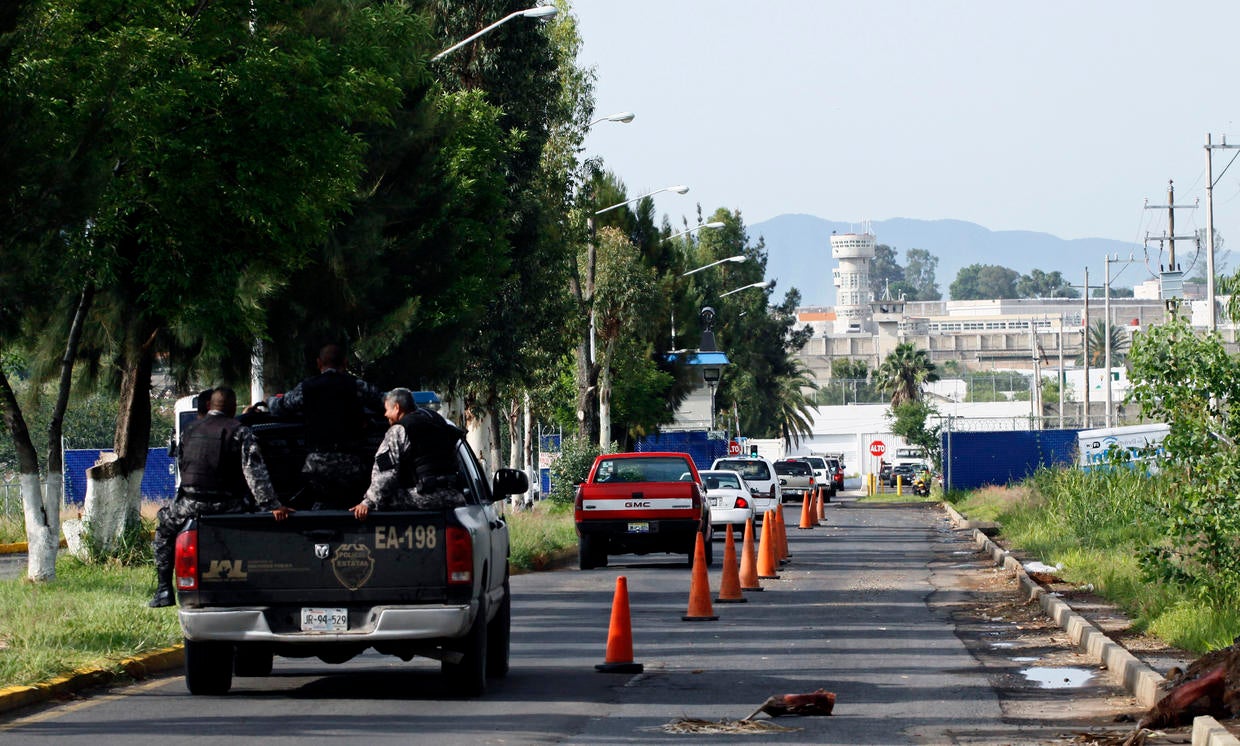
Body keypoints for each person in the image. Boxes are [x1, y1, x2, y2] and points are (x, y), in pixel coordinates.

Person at [149, 387, 293, 608]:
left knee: (163, 532)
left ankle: (164, 590)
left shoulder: (189, 430)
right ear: (232, 407)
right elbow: (255, 474)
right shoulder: (239, 432)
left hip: (190, 503)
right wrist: (271, 505)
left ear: (210, 406)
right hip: (228, 504)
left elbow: (183, 466)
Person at [267, 344, 383, 509]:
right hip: (350, 464)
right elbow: (383, 402)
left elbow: (280, 407)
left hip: (316, 465)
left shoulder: (307, 388)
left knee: (317, 503)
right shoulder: (356, 386)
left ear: (319, 363)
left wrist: (268, 401)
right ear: (345, 362)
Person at [351, 388, 466, 520]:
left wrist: (368, 502)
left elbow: (386, 474)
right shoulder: (438, 423)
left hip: (425, 498)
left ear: (397, 408)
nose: (385, 415)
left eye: (387, 410)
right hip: (453, 497)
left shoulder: (399, 429)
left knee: (385, 499)